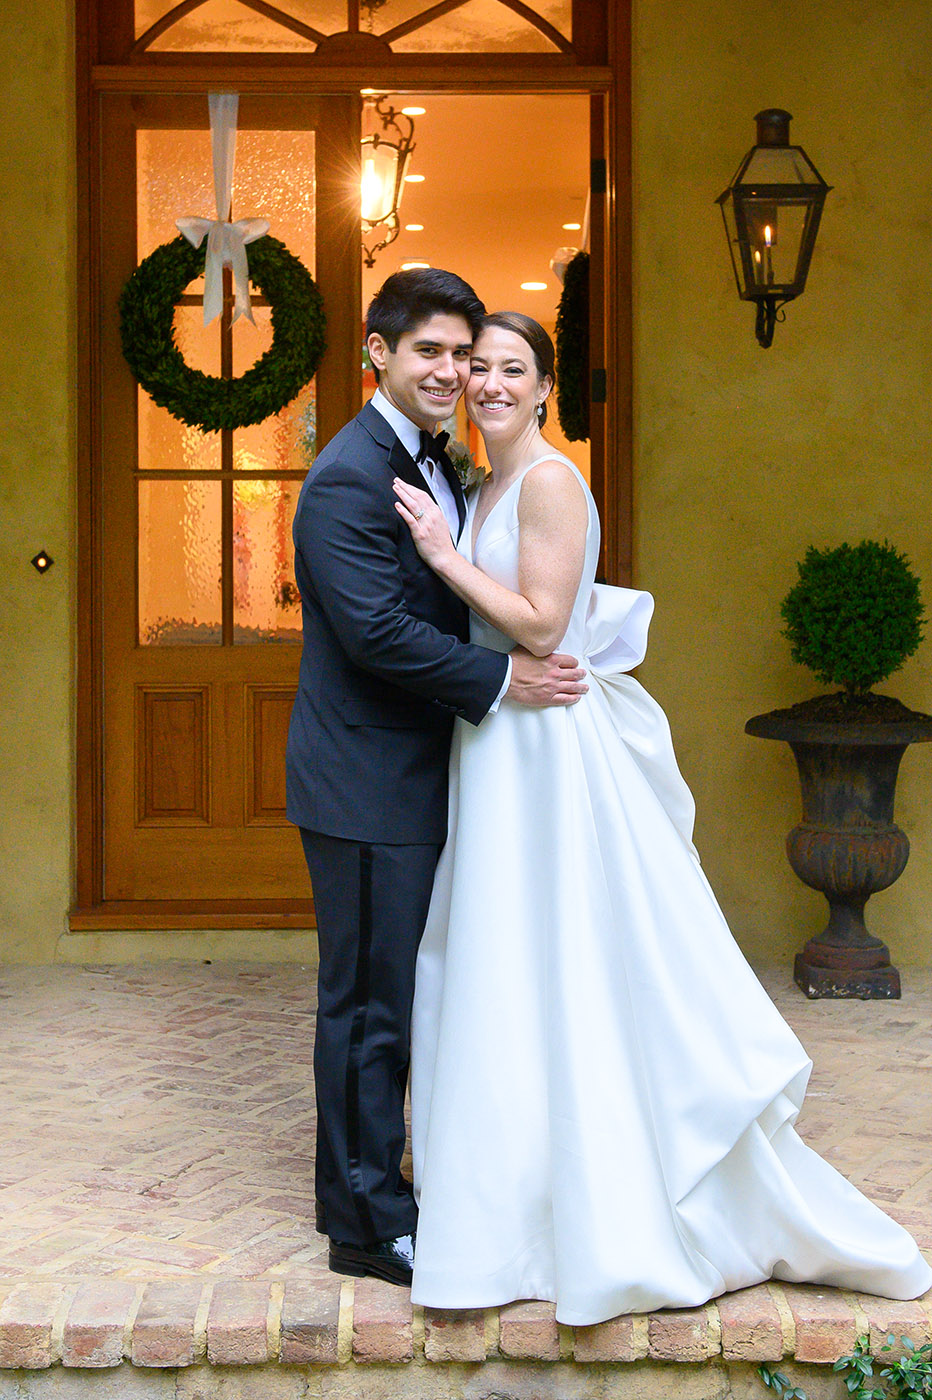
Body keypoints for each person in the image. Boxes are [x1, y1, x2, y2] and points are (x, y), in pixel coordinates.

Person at [393, 312, 932, 1325]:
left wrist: (438, 553)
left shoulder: (550, 482)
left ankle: (611, 1199)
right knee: (505, 961)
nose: (490, 383)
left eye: (513, 368)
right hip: (498, 741)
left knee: (570, 958)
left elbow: (543, 623)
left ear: (545, 387)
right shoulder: (486, 483)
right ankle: (516, 1205)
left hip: (546, 749)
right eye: (479, 368)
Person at [285, 272, 587, 1288]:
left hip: (424, 770)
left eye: (464, 353)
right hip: (365, 778)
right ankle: (364, 1219)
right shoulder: (347, 476)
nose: (452, 372)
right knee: (368, 1002)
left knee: (405, 994)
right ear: (378, 353)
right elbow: (374, 631)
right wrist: (503, 678)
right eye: (430, 351)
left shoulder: (439, 459)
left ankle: (396, 1180)